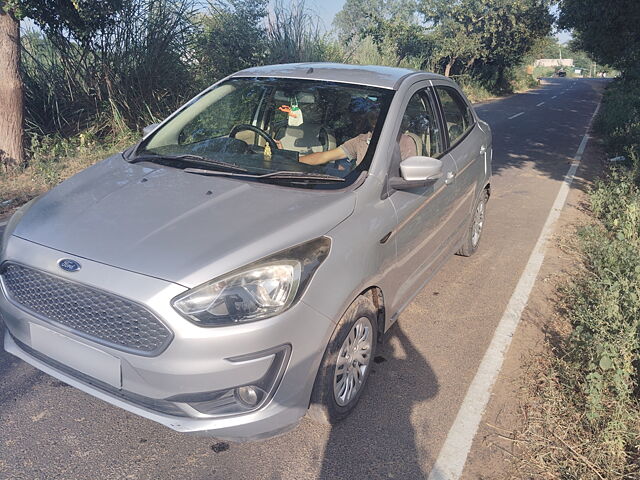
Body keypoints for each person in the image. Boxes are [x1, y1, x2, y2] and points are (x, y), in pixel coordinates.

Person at [297, 97, 417, 168]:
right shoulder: (362, 140)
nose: (375, 123)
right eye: (373, 119)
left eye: (379, 118)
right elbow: (324, 156)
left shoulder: (404, 141)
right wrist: (293, 161)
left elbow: (410, 175)